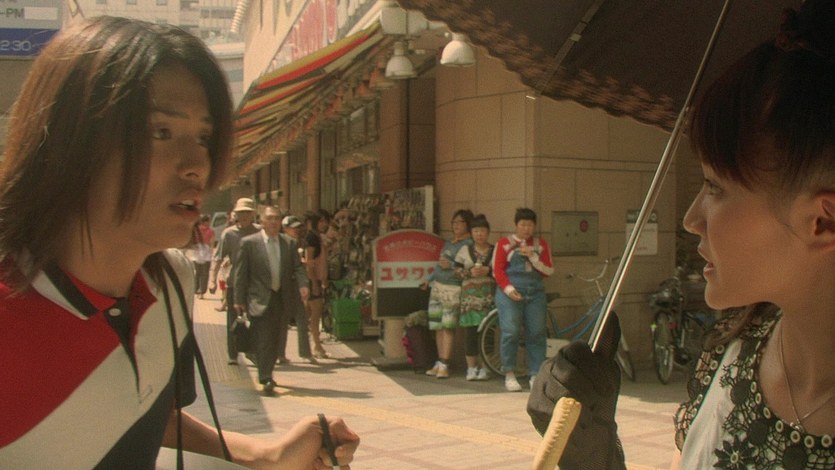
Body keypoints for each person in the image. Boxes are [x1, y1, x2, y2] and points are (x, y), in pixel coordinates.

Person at [0, 16, 359, 468]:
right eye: (161, 133)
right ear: (71, 141)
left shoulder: (171, 283)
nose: (197, 165)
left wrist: (266, 455)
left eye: (204, 138)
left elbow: (142, 411)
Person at [527, 2, 835, 468]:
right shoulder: (735, 352)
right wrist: (594, 455)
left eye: (714, 187)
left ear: (823, 221)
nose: (691, 218)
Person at [234, 206, 310, 395]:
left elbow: (298, 267)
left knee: (276, 338)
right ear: (261, 221)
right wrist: (238, 299)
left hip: (281, 297)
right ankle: (265, 376)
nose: (274, 222)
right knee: (264, 337)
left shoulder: (289, 243)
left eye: (277, 218)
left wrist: (303, 284)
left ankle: (264, 364)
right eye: (270, 218)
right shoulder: (249, 243)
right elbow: (241, 273)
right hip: (258, 298)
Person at [492, 208, 554, 392]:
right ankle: (509, 373)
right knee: (510, 332)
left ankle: (535, 373)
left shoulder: (541, 245)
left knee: (537, 332)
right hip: (510, 293)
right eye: (523, 224)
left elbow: (549, 270)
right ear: (516, 225)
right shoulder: (504, 243)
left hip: (535, 293)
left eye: (530, 225)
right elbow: (497, 270)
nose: (526, 229)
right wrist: (509, 290)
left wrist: (533, 257)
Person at [209, 197, 260, 364]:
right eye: (241, 212)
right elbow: (218, 257)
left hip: (256, 284)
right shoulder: (229, 234)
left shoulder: (260, 232)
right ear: (236, 214)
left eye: (247, 212)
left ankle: (252, 351)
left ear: (253, 214)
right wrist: (212, 280)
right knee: (233, 320)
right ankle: (233, 354)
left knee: (256, 319)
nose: (244, 216)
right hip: (235, 284)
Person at [423, 209, 473, 379]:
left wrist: (450, 266)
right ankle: (439, 361)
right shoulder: (448, 243)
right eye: (454, 222)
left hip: (453, 288)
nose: (456, 225)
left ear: (468, 224)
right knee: (437, 326)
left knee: (448, 326)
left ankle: (445, 363)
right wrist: (429, 279)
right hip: (437, 286)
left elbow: (467, 269)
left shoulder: (469, 245)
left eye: (460, 222)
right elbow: (439, 265)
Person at [454, 214, 495, 381]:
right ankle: (471, 368)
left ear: (488, 232)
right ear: (471, 233)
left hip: (488, 297)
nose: (479, 234)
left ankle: (486, 367)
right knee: (470, 332)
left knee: (488, 332)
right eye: (476, 231)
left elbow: (502, 270)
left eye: (482, 231)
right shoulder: (465, 250)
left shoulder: (494, 250)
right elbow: (456, 271)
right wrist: (469, 272)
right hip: (469, 299)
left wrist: (488, 271)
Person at [277, 214, 313, 362]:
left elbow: (299, 266)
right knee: (283, 320)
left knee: (302, 318)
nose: (296, 230)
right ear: (285, 228)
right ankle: (280, 354)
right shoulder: (280, 243)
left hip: (296, 284)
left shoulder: (300, 242)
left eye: (298, 228)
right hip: (284, 285)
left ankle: (305, 353)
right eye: (293, 228)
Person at [304, 210, 332, 358]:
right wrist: (314, 283)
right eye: (321, 221)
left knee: (311, 314)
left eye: (325, 221)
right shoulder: (312, 238)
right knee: (315, 314)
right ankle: (317, 346)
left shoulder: (318, 237)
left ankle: (309, 345)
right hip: (311, 280)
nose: (324, 224)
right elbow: (310, 262)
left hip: (316, 279)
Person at [188, 214, 214, 298]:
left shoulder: (196, 230)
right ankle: (202, 292)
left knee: (197, 272)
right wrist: (212, 253)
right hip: (206, 253)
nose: (209, 223)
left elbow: (191, 241)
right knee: (205, 273)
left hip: (196, 252)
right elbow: (211, 244)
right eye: (209, 221)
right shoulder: (210, 231)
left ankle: (196, 290)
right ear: (205, 221)